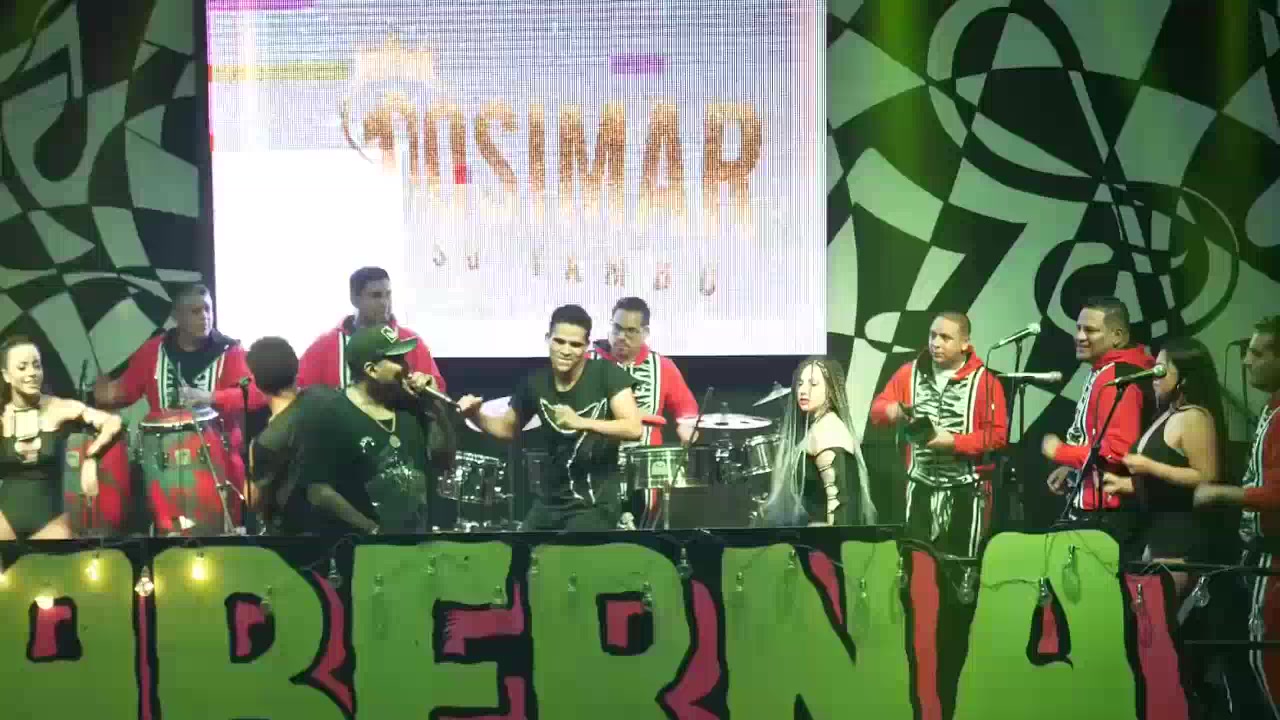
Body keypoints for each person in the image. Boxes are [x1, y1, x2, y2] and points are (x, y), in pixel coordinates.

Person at [458, 304, 642, 530]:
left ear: (586, 346)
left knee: (569, 548)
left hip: (594, 504)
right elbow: (507, 429)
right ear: (548, 339)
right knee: (520, 549)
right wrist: (475, 416)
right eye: (559, 341)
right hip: (550, 502)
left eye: (575, 344)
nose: (566, 350)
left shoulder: (606, 374)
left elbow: (633, 428)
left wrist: (581, 422)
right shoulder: (535, 383)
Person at [92, 283, 266, 519]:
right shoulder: (154, 350)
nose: (205, 317)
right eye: (195, 311)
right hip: (163, 468)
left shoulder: (230, 351)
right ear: (177, 316)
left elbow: (257, 394)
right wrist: (103, 393)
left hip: (220, 467)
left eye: (208, 309)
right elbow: (125, 391)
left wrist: (210, 397)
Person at [1193, 316, 1280, 719]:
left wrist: (1220, 493)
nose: (1246, 361)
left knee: (1267, 660)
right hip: (1262, 556)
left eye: (1257, 353)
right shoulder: (1271, 408)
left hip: (1274, 559)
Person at [869, 312, 1007, 556]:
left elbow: (997, 436)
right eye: (933, 335)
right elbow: (877, 411)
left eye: (945, 337)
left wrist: (953, 442)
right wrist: (892, 410)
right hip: (920, 487)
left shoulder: (985, 382)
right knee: (916, 562)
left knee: (961, 566)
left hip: (966, 490)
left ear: (965, 343)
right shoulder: (908, 373)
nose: (936, 343)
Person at [1099, 338, 1228, 590]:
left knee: (1163, 611)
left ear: (1185, 378)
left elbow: (1206, 477)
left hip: (1180, 539)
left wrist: (1150, 467)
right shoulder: (1168, 414)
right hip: (1156, 536)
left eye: (1161, 370)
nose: (1153, 376)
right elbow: (1166, 483)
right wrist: (1126, 484)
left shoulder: (1194, 417)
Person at [1041, 296, 1156, 546]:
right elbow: (1098, 439)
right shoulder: (1107, 370)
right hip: (1102, 509)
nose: (1080, 337)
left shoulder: (1118, 376)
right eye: (1078, 328)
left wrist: (1061, 452)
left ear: (1117, 336)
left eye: (1090, 330)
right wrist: (1072, 469)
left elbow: (1117, 451)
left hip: (1109, 515)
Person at [2, 336, 122, 539]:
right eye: (22, 367)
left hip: (51, 519)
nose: (32, 373)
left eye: (36, 366)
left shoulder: (59, 408)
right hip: (6, 516)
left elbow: (113, 422)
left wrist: (92, 457)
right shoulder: (2, 415)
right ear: (7, 375)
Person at [762, 356, 876, 527]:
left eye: (813, 384)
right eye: (800, 384)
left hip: (822, 540)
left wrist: (825, 537)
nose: (803, 390)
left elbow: (841, 507)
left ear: (830, 390)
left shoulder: (829, 431)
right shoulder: (819, 427)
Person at [244, 336, 341, 535]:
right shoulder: (328, 397)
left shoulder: (266, 442)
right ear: (296, 366)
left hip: (297, 538)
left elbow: (255, 502)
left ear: (256, 381)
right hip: (344, 525)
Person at [296, 266, 445, 392]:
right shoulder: (325, 345)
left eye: (388, 294)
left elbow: (439, 390)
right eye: (376, 296)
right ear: (354, 298)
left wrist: (429, 384)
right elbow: (295, 391)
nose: (385, 303)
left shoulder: (410, 342)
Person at [588, 297, 698, 446]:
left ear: (645, 333)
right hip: (596, 456)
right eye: (617, 328)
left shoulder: (663, 366)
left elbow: (687, 410)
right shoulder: (587, 361)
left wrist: (687, 428)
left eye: (630, 331)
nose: (621, 336)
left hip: (646, 458)